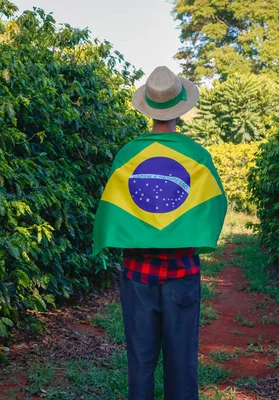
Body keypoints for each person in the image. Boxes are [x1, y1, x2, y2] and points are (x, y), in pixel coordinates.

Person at [93, 66, 227, 400]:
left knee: (140, 359)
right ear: (180, 108)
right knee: (182, 362)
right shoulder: (196, 156)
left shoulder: (128, 155)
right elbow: (215, 204)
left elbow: (112, 208)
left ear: (148, 107)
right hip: (183, 272)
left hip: (137, 274)